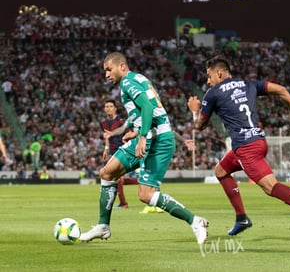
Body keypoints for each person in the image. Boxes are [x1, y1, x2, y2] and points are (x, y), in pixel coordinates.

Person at [187, 55, 290, 240]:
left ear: (219, 73)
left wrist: (195, 110)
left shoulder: (213, 93)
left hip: (246, 148)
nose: (208, 80)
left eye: (209, 76)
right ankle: (241, 218)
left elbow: (199, 126)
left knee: (270, 187)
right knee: (220, 171)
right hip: (258, 141)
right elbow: (282, 90)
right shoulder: (248, 84)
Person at [80, 52, 208, 245]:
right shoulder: (138, 78)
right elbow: (151, 109)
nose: (106, 74)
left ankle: (195, 221)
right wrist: (139, 130)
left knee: (146, 195)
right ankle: (103, 226)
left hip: (157, 141)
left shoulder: (126, 82)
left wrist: (141, 137)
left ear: (121, 66)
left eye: (109, 69)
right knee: (107, 173)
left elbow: (147, 107)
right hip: (150, 135)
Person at [101, 99, 129, 209]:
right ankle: (122, 203)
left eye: (111, 106)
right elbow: (106, 136)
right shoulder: (103, 123)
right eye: (106, 106)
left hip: (123, 150)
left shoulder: (121, 122)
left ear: (115, 108)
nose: (108, 108)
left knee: (117, 177)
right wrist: (106, 149)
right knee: (116, 177)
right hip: (113, 152)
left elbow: (127, 134)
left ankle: (123, 203)